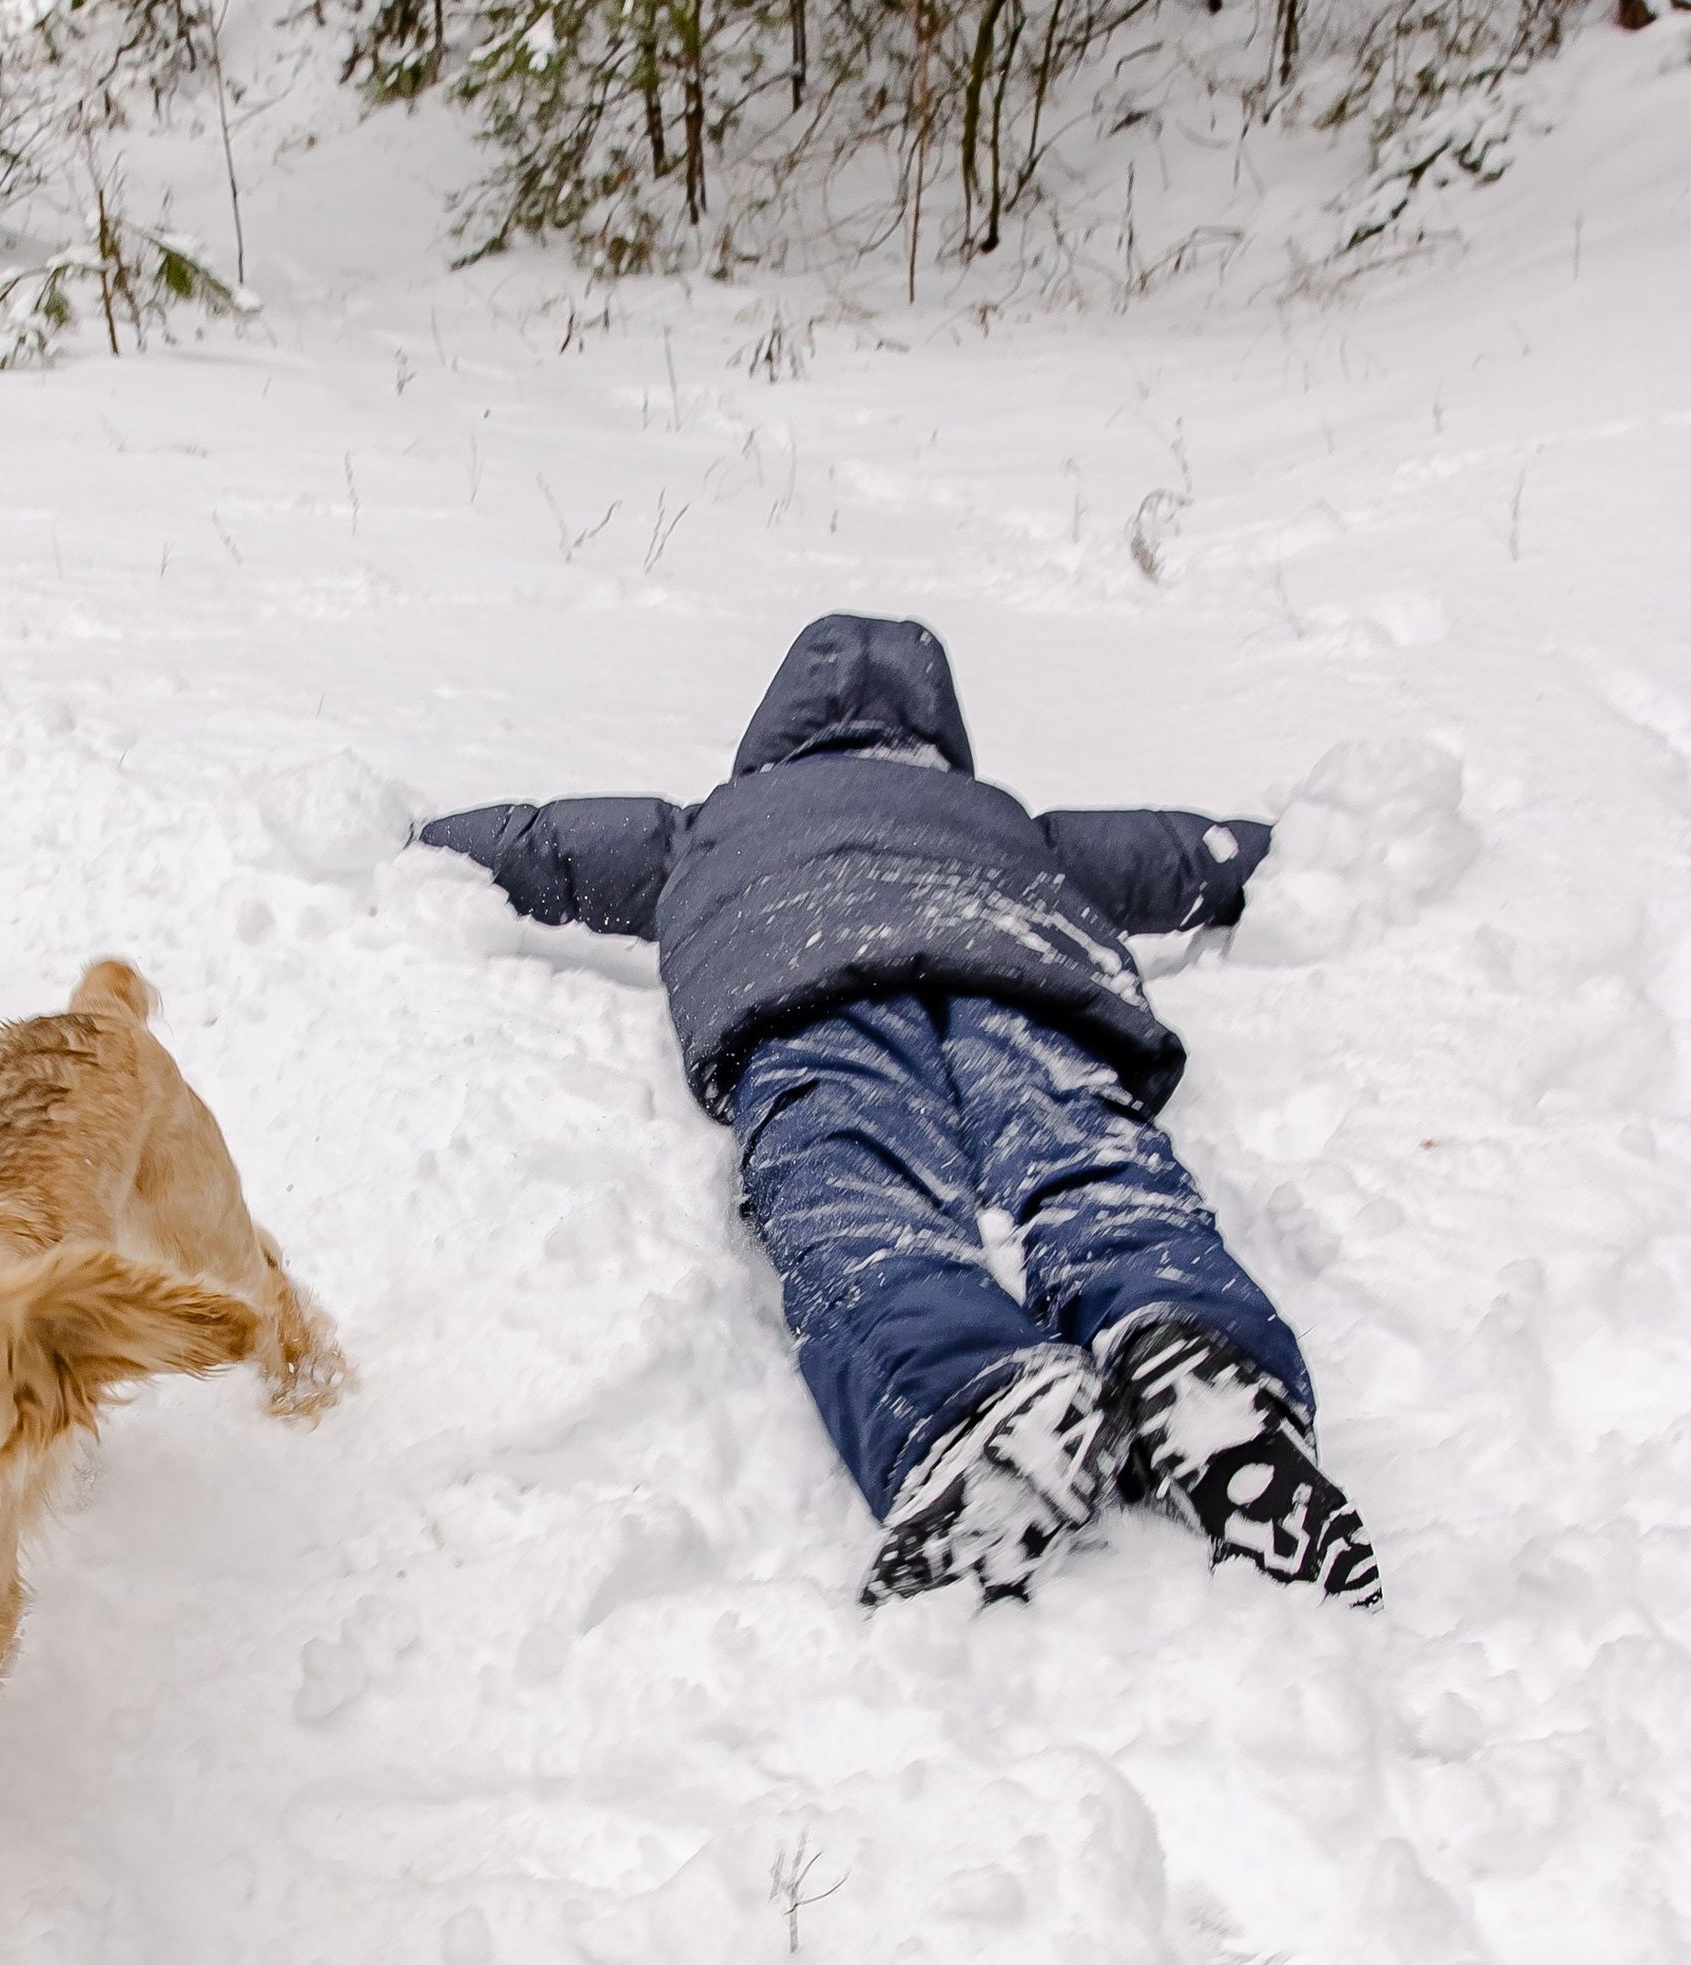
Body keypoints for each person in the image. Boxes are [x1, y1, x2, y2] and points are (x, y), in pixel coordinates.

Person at [418, 614, 1378, 1610]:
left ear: (774, 733)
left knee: (852, 1185)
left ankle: (972, 1395)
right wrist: (1306, 850)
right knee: (1087, 1153)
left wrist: (407, 842)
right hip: (1025, 963)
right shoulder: (1005, 819)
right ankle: (1193, 1349)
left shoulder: (703, 823)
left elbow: (544, 848)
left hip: (807, 972)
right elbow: (1178, 859)